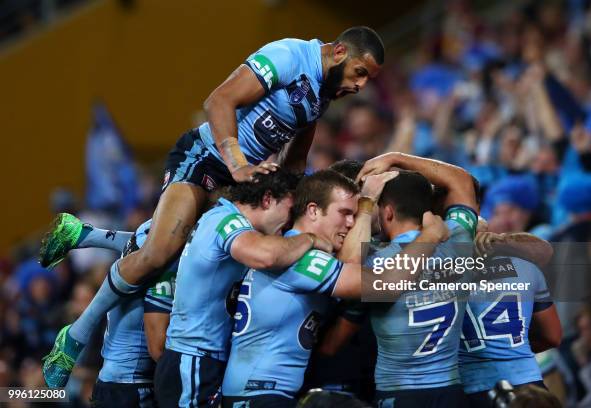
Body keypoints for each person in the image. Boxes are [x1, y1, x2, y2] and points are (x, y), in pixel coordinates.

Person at [41, 26, 385, 387]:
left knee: (193, 246)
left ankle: (84, 234)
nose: (361, 85)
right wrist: (236, 163)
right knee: (160, 253)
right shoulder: (289, 56)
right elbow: (219, 100)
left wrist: (299, 199)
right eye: (360, 73)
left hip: (242, 180)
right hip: (205, 159)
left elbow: (296, 157)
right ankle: (75, 337)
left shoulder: (322, 93)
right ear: (340, 52)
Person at [221, 170, 449, 407]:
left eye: (354, 215)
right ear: (313, 210)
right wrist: (431, 235)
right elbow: (386, 285)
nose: (350, 223)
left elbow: (350, 261)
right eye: (344, 213)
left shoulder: (290, 248)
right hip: (260, 395)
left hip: (259, 392)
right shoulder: (302, 261)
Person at [153, 169, 334, 407]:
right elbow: (266, 256)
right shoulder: (226, 219)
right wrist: (309, 238)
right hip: (194, 360)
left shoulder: (223, 219)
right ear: (267, 199)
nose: (290, 220)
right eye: (289, 210)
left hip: (203, 361)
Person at [322, 153, 479, 408]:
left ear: (388, 212)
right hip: (451, 392)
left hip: (399, 394)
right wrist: (396, 158)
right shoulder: (459, 239)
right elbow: (461, 181)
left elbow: (345, 267)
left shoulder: (373, 262)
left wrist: (366, 202)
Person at [459, 230, 562, 407]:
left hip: (469, 389)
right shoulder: (527, 267)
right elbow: (553, 336)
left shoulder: (435, 273)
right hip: (527, 384)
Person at [91, 220, 177, 408]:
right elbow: (158, 349)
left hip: (109, 382)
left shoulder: (137, 245)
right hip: (131, 387)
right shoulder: (160, 269)